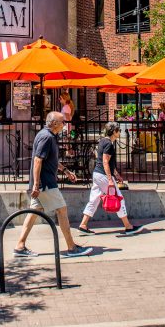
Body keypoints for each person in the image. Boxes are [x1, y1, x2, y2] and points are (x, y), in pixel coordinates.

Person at [13, 111, 93, 259]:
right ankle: (71, 247)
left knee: (33, 212)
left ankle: (20, 245)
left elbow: (51, 160)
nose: (65, 124)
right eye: (63, 122)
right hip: (46, 184)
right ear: (55, 123)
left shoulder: (47, 136)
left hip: (44, 183)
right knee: (62, 210)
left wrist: (66, 171)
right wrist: (37, 185)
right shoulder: (47, 137)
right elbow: (38, 160)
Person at [78, 122, 139, 234]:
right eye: (118, 130)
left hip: (97, 174)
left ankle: (83, 224)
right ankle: (128, 226)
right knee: (119, 198)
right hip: (103, 175)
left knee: (94, 199)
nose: (119, 132)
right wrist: (111, 179)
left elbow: (105, 162)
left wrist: (117, 175)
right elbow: (105, 162)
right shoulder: (109, 144)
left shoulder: (102, 141)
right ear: (114, 132)